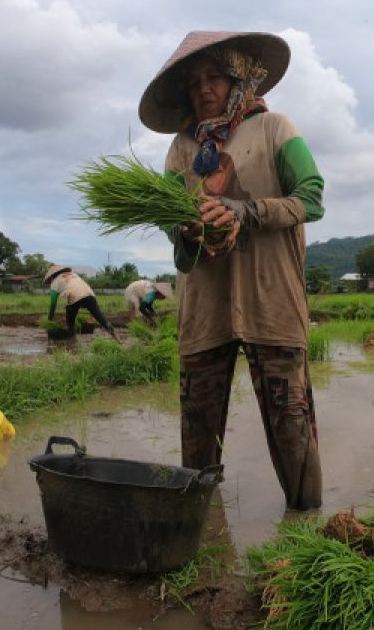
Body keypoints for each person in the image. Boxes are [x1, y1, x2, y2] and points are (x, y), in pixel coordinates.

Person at [138, 30, 324, 510]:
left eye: (215, 76)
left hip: (272, 302)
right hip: (205, 308)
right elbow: (169, 223)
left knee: (291, 425)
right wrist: (188, 230)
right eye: (195, 81)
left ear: (239, 80)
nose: (204, 88)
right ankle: (198, 531)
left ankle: (306, 528)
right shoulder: (182, 150)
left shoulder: (274, 128)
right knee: (197, 432)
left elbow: (311, 197)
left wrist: (245, 212)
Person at [43, 264, 119, 340]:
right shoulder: (73, 274)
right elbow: (79, 290)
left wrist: (50, 320)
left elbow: (53, 304)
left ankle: (72, 340)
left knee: (70, 322)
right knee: (99, 316)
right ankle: (115, 335)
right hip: (89, 294)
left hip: (74, 297)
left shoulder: (55, 282)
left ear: (52, 276)